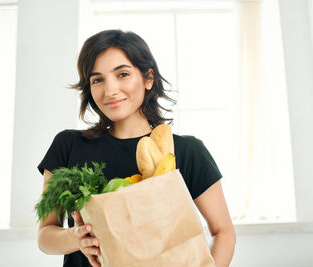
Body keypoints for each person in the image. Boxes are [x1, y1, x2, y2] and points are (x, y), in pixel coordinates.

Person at [37, 29, 236, 267]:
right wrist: (77, 238)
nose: (110, 90)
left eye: (122, 74)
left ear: (148, 78)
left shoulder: (186, 150)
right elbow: (45, 236)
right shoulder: (68, 146)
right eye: (97, 79)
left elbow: (224, 232)